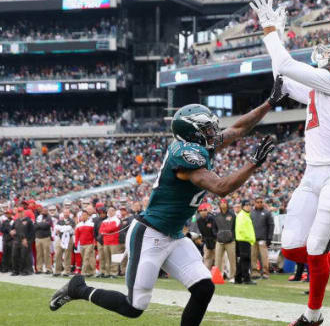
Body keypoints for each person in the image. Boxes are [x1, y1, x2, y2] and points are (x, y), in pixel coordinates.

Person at [50, 93, 284, 326]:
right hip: (150, 234)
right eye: (207, 129)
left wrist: (270, 103)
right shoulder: (185, 155)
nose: (214, 133)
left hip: (173, 235)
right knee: (134, 307)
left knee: (203, 288)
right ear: (193, 133)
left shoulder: (198, 146)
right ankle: (78, 288)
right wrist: (253, 163)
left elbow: (239, 128)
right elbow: (221, 188)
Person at [251, 0, 330, 326]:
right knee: (292, 248)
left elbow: (286, 65)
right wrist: (279, 78)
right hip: (313, 174)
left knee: (317, 248)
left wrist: (271, 31)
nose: (329, 50)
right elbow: (286, 79)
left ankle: (313, 316)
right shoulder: (328, 85)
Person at [250, 197, 274, 279]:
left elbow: (271, 225)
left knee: (264, 257)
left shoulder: (267, 213)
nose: (259, 203)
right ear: (255, 203)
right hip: (252, 239)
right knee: (253, 257)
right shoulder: (251, 213)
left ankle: (265, 273)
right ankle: (254, 272)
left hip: (263, 238)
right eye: (258, 202)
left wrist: (269, 238)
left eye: (261, 202)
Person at [213, 199, 236, 281]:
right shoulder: (216, 216)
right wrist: (217, 236)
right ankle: (218, 276)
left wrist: (232, 236)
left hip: (230, 241)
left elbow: (235, 227)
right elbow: (214, 228)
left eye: (224, 202)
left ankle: (232, 276)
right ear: (219, 205)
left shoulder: (232, 215)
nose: (223, 204)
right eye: (221, 203)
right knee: (218, 260)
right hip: (219, 241)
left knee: (232, 259)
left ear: (227, 204)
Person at [235, 200, 256, 285]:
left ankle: (238, 278)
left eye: (249, 205)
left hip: (245, 240)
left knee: (243, 260)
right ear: (243, 206)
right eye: (246, 205)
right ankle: (246, 278)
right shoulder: (242, 215)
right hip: (244, 240)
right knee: (246, 260)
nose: (248, 206)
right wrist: (248, 238)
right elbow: (241, 229)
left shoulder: (245, 215)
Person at [99, 207, 121, 279]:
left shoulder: (116, 220)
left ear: (114, 212)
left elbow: (112, 228)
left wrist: (105, 230)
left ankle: (114, 273)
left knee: (114, 258)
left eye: (112, 211)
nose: (110, 212)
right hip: (106, 242)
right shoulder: (104, 221)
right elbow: (101, 230)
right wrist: (106, 230)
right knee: (106, 258)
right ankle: (107, 272)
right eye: (109, 211)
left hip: (114, 242)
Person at [54, 208, 76, 277]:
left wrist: (61, 228)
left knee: (67, 255)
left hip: (68, 239)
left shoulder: (71, 220)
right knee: (57, 254)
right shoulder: (60, 220)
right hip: (60, 238)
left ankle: (67, 270)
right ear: (63, 213)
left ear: (69, 213)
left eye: (67, 212)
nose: (66, 214)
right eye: (65, 213)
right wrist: (63, 228)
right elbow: (56, 228)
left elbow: (69, 228)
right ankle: (57, 270)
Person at [74, 210, 96, 277]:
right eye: (82, 215)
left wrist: (94, 243)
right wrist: (76, 244)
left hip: (89, 243)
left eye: (85, 215)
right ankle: (91, 272)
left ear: (87, 216)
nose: (83, 216)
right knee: (88, 258)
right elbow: (77, 236)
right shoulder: (78, 225)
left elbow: (94, 235)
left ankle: (83, 272)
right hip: (82, 244)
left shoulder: (91, 224)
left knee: (86, 257)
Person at [195, 203, 216, 270]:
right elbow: (202, 232)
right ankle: (206, 272)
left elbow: (216, 230)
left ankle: (221, 274)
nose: (202, 212)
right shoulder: (198, 220)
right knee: (206, 257)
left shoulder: (212, 218)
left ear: (207, 211)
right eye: (200, 211)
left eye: (204, 210)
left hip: (215, 240)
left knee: (218, 257)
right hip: (207, 241)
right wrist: (203, 240)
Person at [35, 207, 53, 274]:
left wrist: (39, 224)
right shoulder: (38, 217)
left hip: (46, 238)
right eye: (43, 210)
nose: (44, 211)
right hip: (38, 237)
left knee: (47, 254)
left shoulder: (49, 217)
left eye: (45, 210)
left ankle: (49, 268)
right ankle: (39, 269)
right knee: (39, 254)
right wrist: (42, 224)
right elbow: (35, 226)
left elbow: (47, 225)